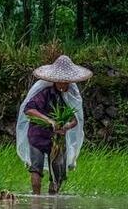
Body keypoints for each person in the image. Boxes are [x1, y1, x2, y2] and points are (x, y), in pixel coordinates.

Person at [16, 55, 90, 195]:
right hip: (38, 136)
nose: (64, 84)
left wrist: (66, 126)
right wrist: (49, 121)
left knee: (58, 173)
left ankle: (52, 200)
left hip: (57, 139)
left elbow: (75, 120)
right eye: (61, 82)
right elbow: (29, 110)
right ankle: (36, 201)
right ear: (54, 81)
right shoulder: (44, 93)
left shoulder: (70, 96)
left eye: (66, 81)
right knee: (36, 169)